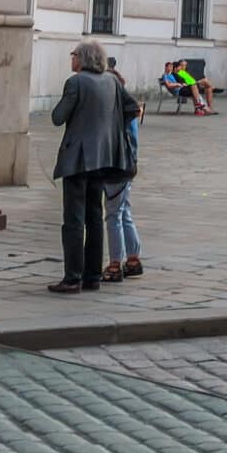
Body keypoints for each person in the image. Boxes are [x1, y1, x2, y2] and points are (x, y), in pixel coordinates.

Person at [49, 42, 130, 293]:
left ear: (82, 59)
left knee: (73, 220)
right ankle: (92, 276)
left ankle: (72, 277)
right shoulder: (112, 81)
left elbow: (57, 117)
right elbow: (132, 107)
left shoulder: (76, 82)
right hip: (104, 158)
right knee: (95, 217)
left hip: (78, 159)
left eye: (73, 54)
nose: (71, 59)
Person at [100, 57, 144, 282]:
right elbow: (134, 141)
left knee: (113, 215)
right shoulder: (130, 110)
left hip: (116, 166)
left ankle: (115, 263)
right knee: (124, 210)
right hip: (128, 166)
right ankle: (134, 259)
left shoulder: (114, 113)